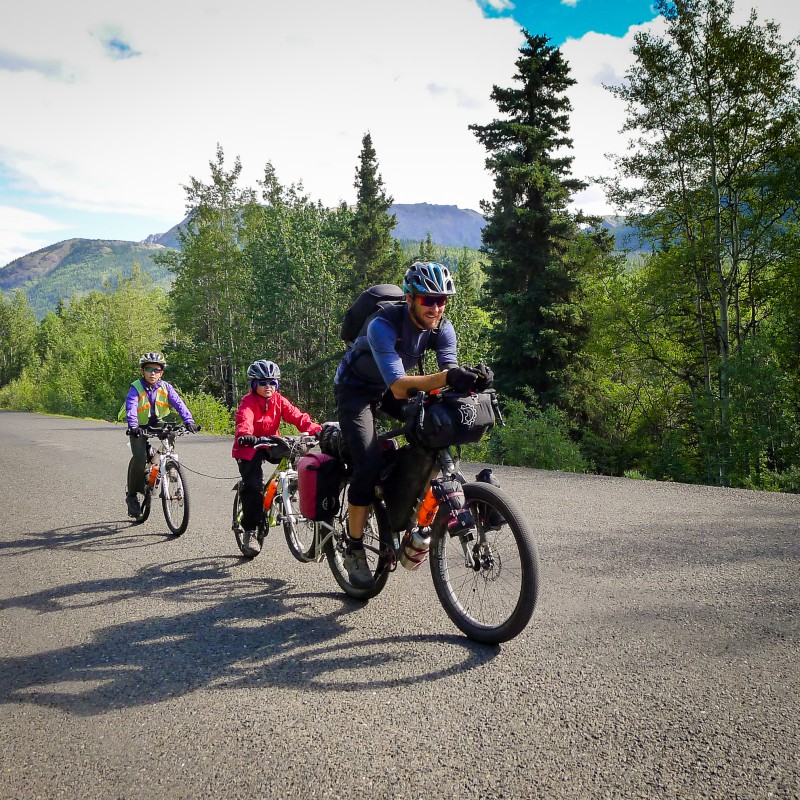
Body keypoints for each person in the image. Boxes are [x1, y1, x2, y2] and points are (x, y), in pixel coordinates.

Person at [333, 261, 490, 589]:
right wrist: (448, 376)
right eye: (428, 300)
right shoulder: (383, 325)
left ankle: (399, 498)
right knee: (367, 461)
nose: (436, 307)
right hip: (357, 389)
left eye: (443, 300)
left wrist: (471, 379)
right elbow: (399, 386)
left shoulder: (443, 327)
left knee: (431, 429)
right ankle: (354, 547)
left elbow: (449, 376)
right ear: (410, 298)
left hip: (396, 386)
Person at [232, 359, 323, 556]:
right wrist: (245, 435)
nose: (268, 387)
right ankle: (250, 530)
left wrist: (318, 430)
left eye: (272, 383)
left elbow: (298, 418)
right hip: (249, 446)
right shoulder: (248, 401)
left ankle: (288, 490)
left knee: (298, 456)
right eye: (263, 383)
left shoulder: (279, 400)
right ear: (254, 384)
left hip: (271, 442)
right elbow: (244, 419)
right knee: (253, 487)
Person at [124, 352, 197, 517]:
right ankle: (132, 496)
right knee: (140, 458)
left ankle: (167, 463)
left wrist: (189, 421)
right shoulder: (136, 387)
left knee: (172, 431)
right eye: (149, 369)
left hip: (157, 421)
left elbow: (178, 403)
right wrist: (134, 426)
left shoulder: (166, 387)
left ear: (161, 373)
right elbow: (131, 406)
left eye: (156, 370)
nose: (152, 373)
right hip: (139, 426)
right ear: (142, 371)